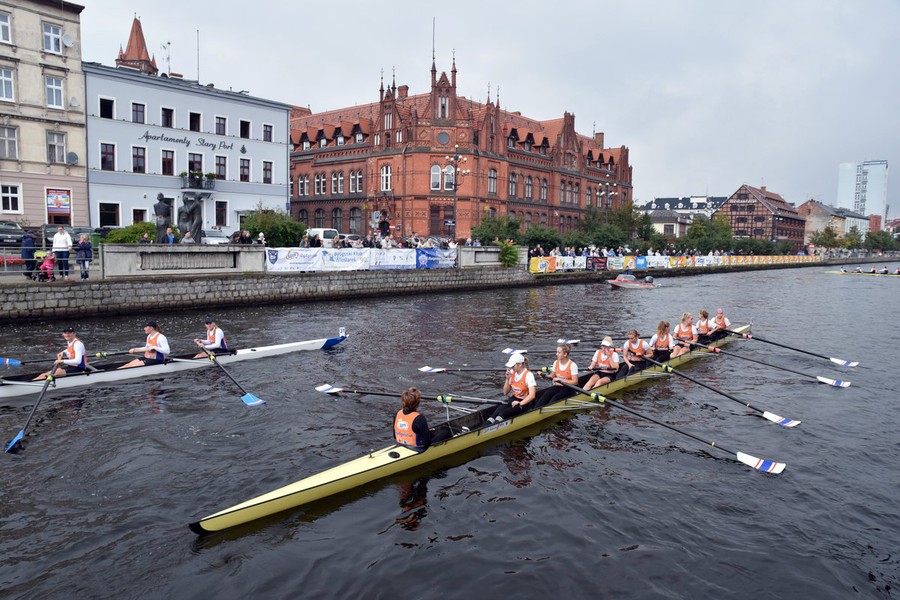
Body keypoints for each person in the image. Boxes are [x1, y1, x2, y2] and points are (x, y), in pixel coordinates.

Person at [487, 353, 536, 423]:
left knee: (502, 414)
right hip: (513, 400)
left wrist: (520, 404)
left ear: (520, 364)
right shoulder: (512, 373)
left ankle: (492, 430)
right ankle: (486, 426)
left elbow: (532, 395)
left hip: (525, 403)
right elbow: (505, 392)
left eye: (513, 365)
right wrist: (507, 379)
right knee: (495, 414)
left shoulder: (529, 375)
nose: (511, 367)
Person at [533, 344, 579, 408]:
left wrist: (560, 380)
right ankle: (535, 409)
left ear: (565, 354)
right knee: (545, 396)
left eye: (559, 352)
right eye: (557, 352)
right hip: (558, 386)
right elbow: (552, 375)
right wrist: (545, 376)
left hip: (569, 389)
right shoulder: (556, 363)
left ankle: (546, 411)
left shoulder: (573, 365)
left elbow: (575, 382)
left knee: (555, 398)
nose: (556, 354)